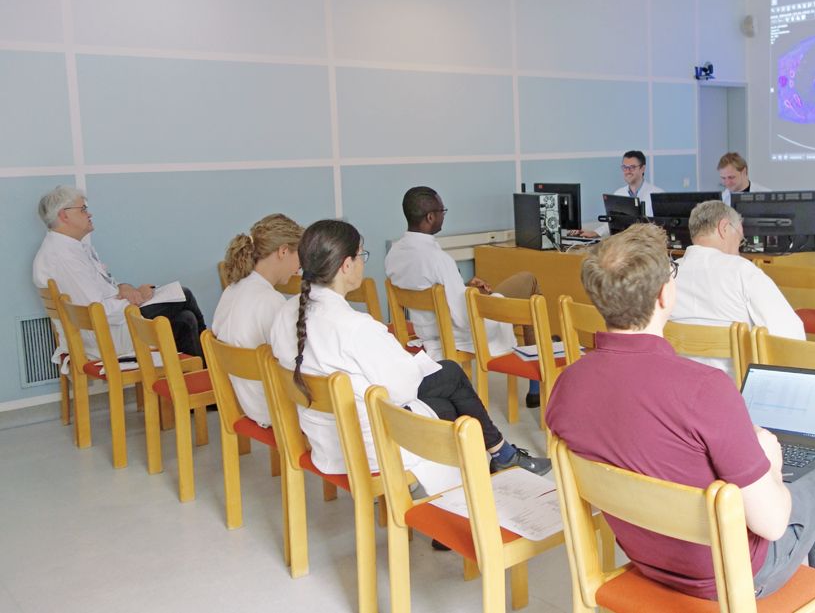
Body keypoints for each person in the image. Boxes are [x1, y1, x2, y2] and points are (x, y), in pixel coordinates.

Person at [545, 223, 815, 612]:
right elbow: (772, 524)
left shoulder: (567, 385)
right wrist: (771, 463)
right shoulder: (705, 388)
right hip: (730, 575)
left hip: (645, 557)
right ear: (665, 294)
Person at [270, 220, 549, 499]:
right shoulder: (354, 326)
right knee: (449, 389)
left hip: (326, 439)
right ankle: (480, 477)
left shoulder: (286, 313)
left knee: (447, 384)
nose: (362, 264)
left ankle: (491, 463)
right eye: (361, 256)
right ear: (346, 265)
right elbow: (402, 388)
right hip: (369, 446)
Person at [385, 185, 544, 408]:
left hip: (428, 331)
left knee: (509, 294)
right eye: (442, 211)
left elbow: (431, 293)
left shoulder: (394, 253)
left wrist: (465, 289)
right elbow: (463, 318)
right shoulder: (439, 259)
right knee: (529, 282)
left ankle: (536, 376)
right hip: (461, 332)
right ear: (431, 217)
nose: (443, 216)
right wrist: (474, 297)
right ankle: (536, 381)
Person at [32, 185, 208, 363]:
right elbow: (96, 312)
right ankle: (216, 366)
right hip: (104, 336)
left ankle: (199, 380)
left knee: (186, 319)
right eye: (83, 209)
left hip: (109, 327)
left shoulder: (68, 249)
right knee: (183, 294)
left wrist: (124, 288)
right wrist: (140, 298)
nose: (90, 214)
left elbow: (101, 289)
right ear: (64, 215)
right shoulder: (63, 257)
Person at [672, 201, 805, 378]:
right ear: (724, 228)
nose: (739, 248)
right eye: (740, 239)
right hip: (734, 390)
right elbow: (791, 335)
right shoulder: (742, 271)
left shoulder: (667, 275)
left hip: (677, 388)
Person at [212, 214, 304, 427]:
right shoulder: (269, 300)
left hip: (244, 400)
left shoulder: (232, 290)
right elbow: (293, 362)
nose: (299, 268)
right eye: (298, 257)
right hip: (271, 406)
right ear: (283, 251)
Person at [571, 150, 664, 238]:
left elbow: (661, 229)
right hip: (623, 245)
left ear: (642, 168)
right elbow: (612, 222)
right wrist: (595, 233)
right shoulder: (618, 193)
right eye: (625, 167)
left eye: (632, 167)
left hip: (648, 248)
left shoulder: (658, 194)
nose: (627, 171)